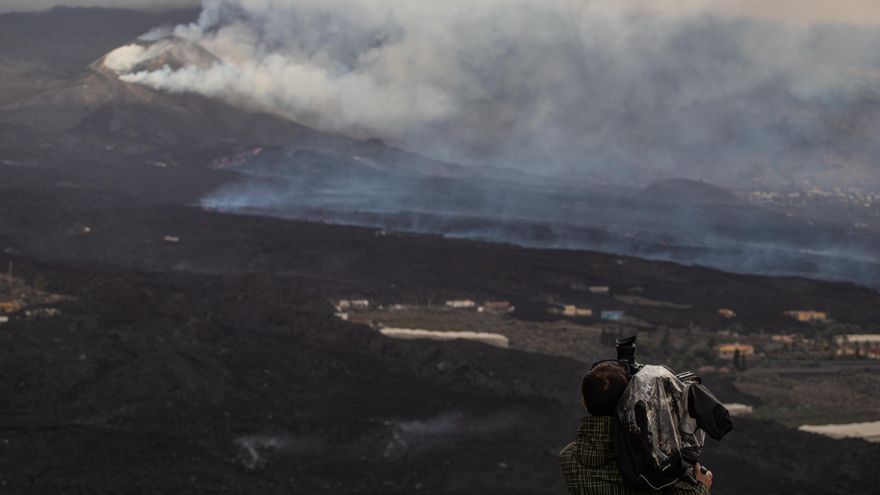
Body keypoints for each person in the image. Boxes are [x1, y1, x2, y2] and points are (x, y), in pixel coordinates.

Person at [560, 362, 714, 494]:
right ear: (627, 401)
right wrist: (702, 487)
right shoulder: (649, 463)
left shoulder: (568, 458)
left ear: (584, 402)